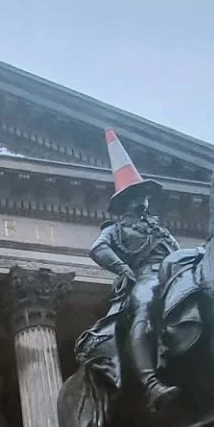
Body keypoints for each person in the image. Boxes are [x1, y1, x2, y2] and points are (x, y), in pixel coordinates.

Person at [79, 129, 181, 410]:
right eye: (137, 195)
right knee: (146, 307)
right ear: (124, 202)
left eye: (144, 195)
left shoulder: (160, 228)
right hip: (146, 277)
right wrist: (123, 268)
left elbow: (178, 252)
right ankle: (150, 380)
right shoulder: (115, 229)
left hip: (175, 273)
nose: (143, 200)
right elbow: (97, 249)